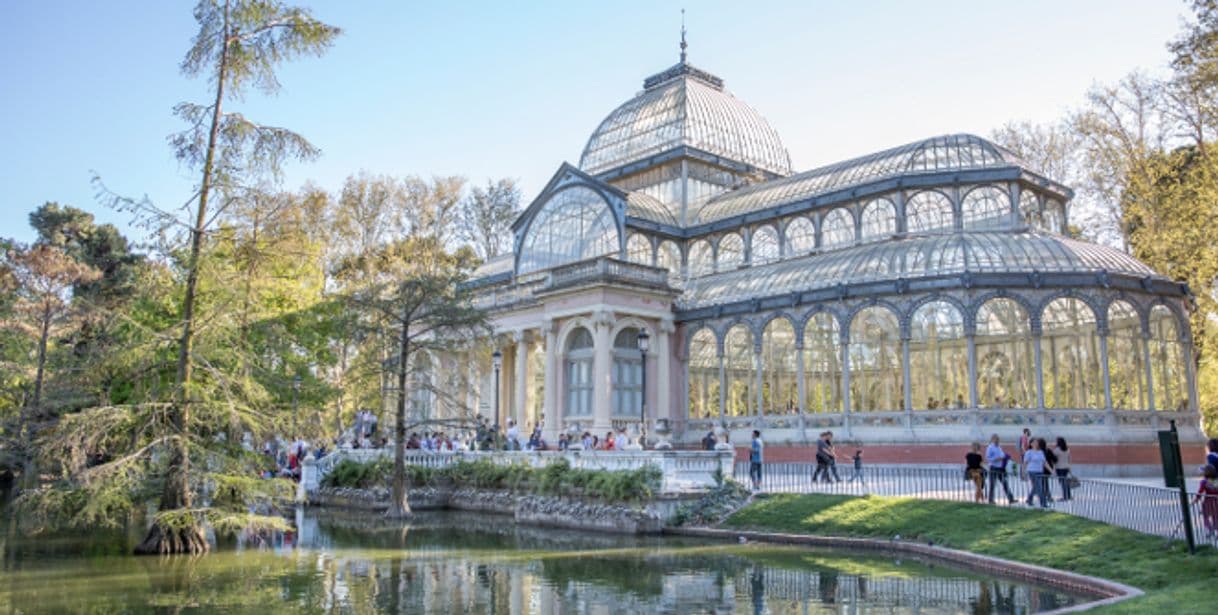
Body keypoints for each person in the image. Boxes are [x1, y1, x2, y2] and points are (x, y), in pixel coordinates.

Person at [986, 434, 1016, 504]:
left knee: (1005, 483)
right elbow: (988, 458)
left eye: (998, 439)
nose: (997, 440)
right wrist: (997, 459)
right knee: (992, 484)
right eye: (996, 439)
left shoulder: (999, 447)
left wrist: (1005, 457)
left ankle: (1011, 499)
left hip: (1001, 468)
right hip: (993, 468)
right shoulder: (990, 448)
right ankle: (991, 500)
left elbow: (1002, 455)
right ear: (992, 440)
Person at [1192, 464, 1218, 538]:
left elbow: (1200, 492)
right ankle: (1215, 530)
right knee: (1216, 517)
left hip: (1208, 502)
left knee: (1206, 516)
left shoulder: (1204, 482)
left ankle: (1210, 529)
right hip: (1216, 501)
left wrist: (1195, 500)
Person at [1023, 438, 1049, 508]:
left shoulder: (1041, 452)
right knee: (1040, 487)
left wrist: (1051, 470)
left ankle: (1029, 499)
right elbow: (1025, 463)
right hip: (1032, 471)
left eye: (1036, 442)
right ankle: (1043, 503)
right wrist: (1024, 472)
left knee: (1035, 487)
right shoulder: (1029, 452)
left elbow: (1044, 462)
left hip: (1040, 471)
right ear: (1031, 444)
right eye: (1034, 442)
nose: (1036, 444)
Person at [1053, 437, 1073, 501]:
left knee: (1062, 483)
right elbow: (1069, 459)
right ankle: (1069, 495)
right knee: (1066, 482)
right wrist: (1069, 467)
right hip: (1066, 467)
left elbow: (1053, 459)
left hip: (1059, 468)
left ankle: (1065, 497)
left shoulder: (1057, 450)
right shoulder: (1067, 449)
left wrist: (1054, 469)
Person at [1039, 437, 1057, 502]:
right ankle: (1048, 496)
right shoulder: (1048, 450)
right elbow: (1055, 459)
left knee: (1042, 484)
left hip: (1041, 469)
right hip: (1048, 470)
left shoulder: (1039, 451)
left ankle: (1047, 496)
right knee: (1045, 483)